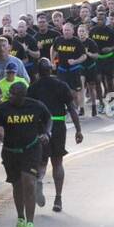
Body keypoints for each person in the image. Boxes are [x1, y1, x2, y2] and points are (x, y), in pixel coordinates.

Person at [0, 80, 51, 227]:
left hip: (31, 149)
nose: (9, 97)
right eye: (9, 94)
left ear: (22, 96)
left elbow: (48, 119)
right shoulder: (3, 108)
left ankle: (30, 223)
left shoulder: (36, 106)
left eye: (13, 95)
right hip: (10, 151)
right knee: (17, 185)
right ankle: (20, 218)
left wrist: (46, 133)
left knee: (29, 183)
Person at [28, 59, 83, 214]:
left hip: (40, 127)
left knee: (42, 161)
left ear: (37, 72)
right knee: (57, 162)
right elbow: (72, 109)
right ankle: (58, 198)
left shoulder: (33, 88)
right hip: (58, 126)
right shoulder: (61, 85)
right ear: (51, 69)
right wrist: (78, 130)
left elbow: (29, 111)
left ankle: (39, 181)